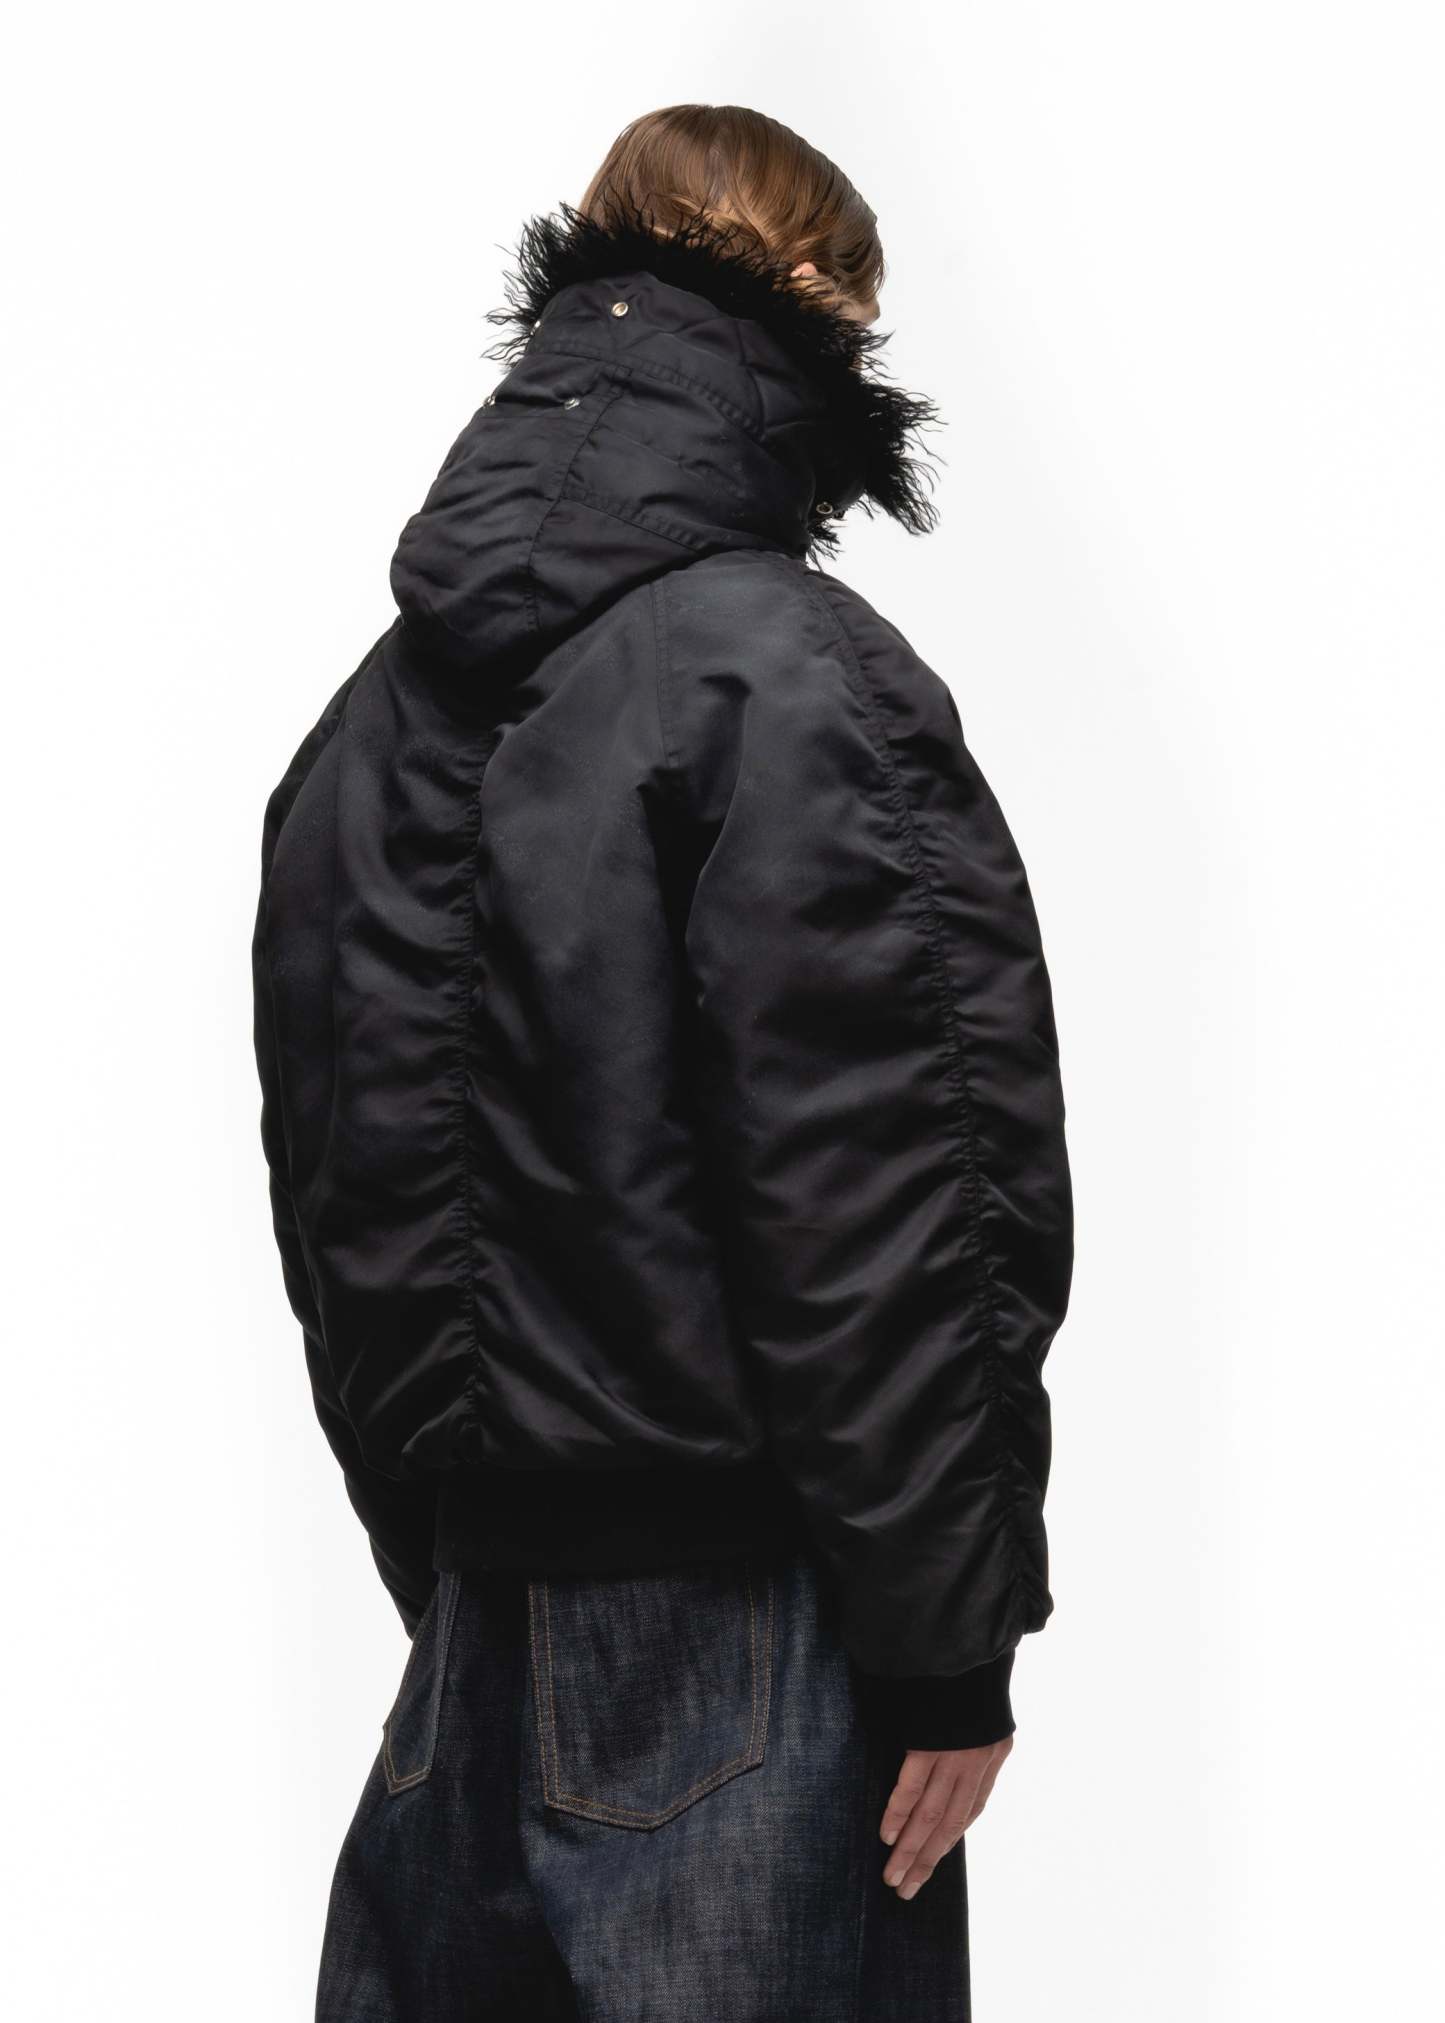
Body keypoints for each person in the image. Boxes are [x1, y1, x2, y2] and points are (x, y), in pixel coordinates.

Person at [252, 102, 1073, 2023]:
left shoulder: (364, 722)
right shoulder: (792, 675)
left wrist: (456, 1569)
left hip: (459, 1670)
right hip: (741, 1651)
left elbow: (338, 1190)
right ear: (833, 329)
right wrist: (947, 1647)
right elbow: (897, 1204)